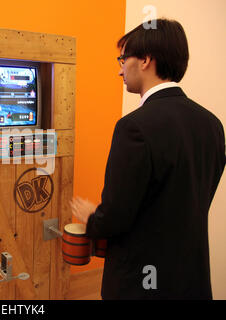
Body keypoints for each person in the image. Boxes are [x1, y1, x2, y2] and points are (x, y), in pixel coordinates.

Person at [70, 19, 225, 299]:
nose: (119, 70)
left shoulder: (134, 127)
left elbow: (116, 217)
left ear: (145, 60)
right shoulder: (212, 124)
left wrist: (93, 218)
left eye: (122, 59)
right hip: (191, 280)